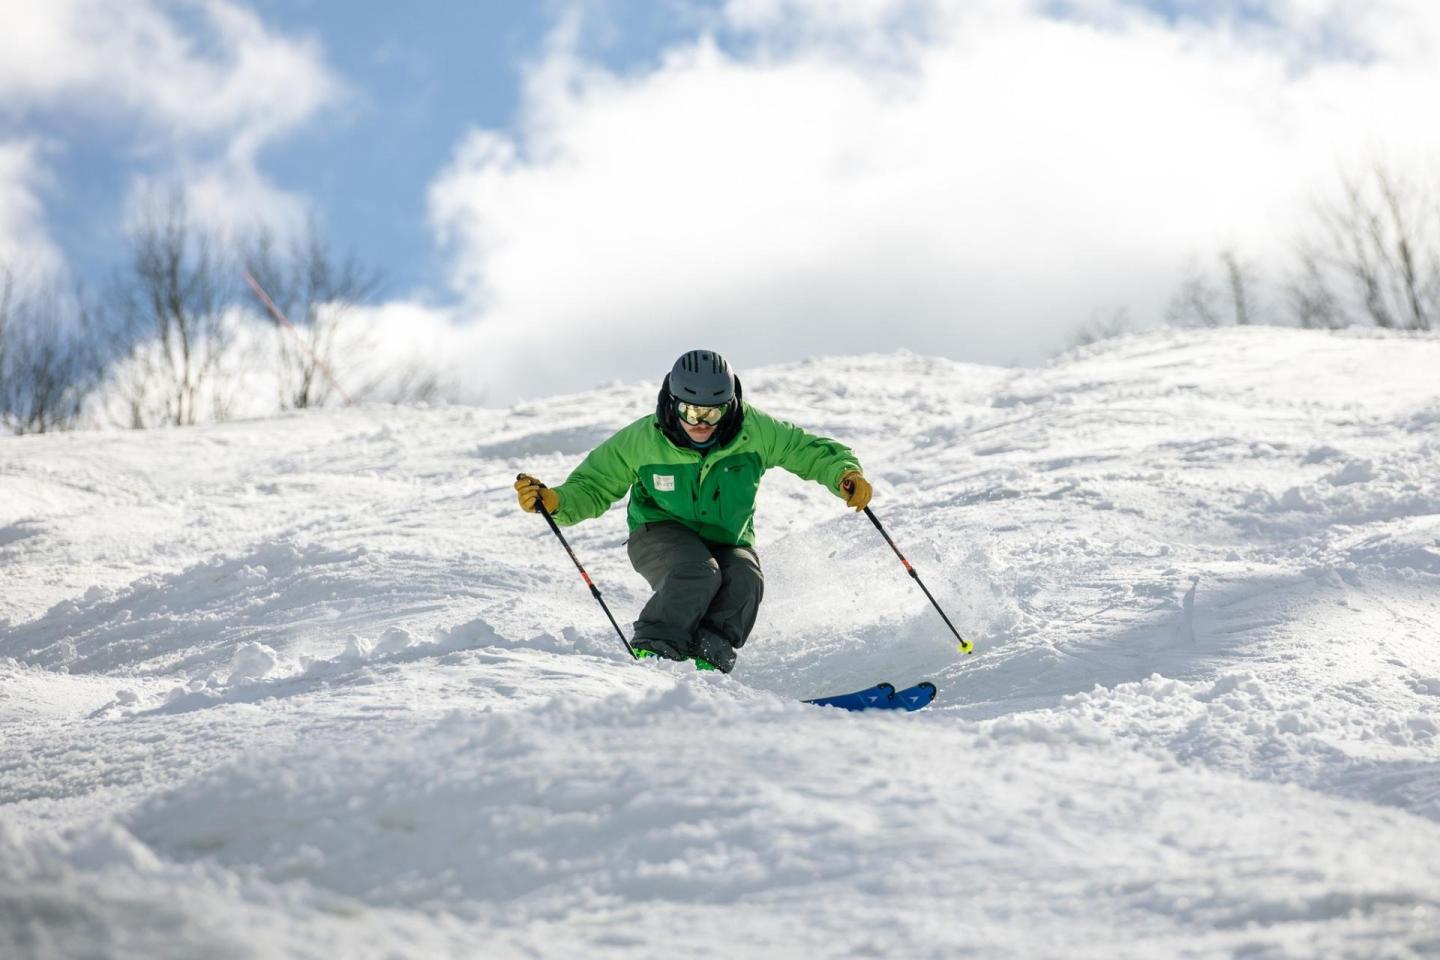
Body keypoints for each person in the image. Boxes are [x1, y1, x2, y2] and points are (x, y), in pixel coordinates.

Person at [514, 349, 872, 673]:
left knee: (745, 579)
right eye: (690, 411)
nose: (701, 422)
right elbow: (593, 485)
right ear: (672, 403)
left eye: (713, 412)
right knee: (697, 572)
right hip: (658, 531)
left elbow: (807, 450)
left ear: (730, 405)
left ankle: (706, 664)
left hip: (728, 537)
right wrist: (556, 502)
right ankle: (653, 653)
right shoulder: (643, 440)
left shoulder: (754, 430)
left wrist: (844, 474)